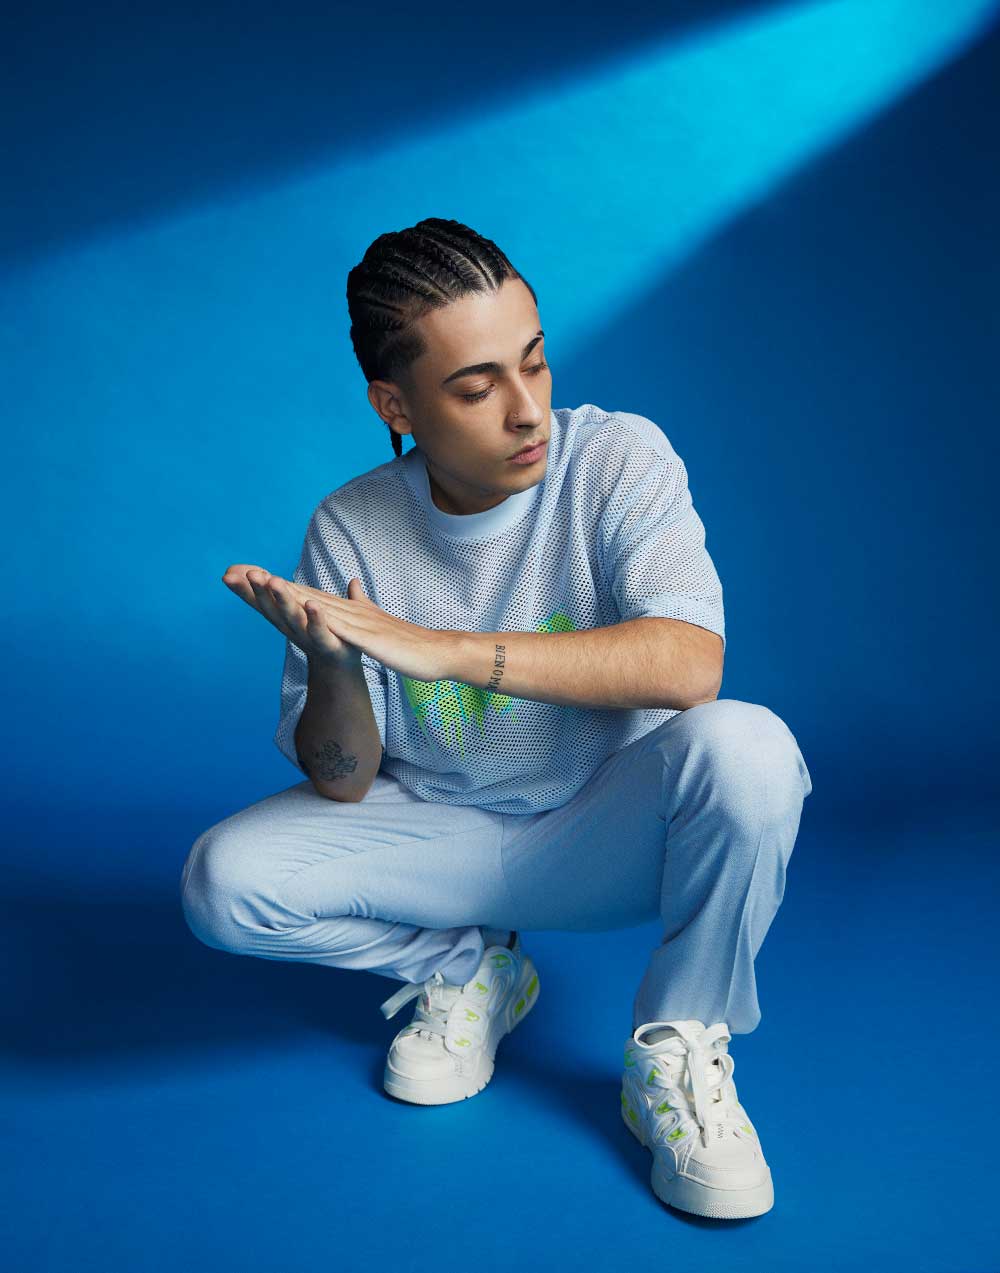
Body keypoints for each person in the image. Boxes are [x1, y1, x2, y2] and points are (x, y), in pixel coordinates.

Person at [180, 216, 813, 1221]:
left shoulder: (615, 459)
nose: (527, 411)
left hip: (610, 830)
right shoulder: (350, 525)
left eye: (535, 362)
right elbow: (341, 778)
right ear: (395, 404)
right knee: (222, 882)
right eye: (476, 389)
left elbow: (690, 664)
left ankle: (677, 1046)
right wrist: (337, 665)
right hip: (446, 844)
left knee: (752, 751)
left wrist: (445, 648)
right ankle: (470, 970)